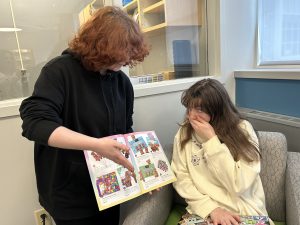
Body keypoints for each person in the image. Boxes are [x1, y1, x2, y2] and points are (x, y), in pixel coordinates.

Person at [19, 6, 149, 225]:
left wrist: (145, 171)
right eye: (122, 52)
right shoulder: (58, 72)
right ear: (101, 46)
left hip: (109, 190)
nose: (127, 60)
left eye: (129, 54)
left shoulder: (121, 83)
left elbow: (125, 129)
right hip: (69, 194)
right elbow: (35, 122)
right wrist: (95, 145)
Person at [171, 79, 274, 225]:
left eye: (199, 109)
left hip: (243, 211)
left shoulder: (243, 129)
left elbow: (238, 184)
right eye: (189, 108)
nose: (191, 116)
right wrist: (211, 209)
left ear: (218, 110)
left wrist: (211, 141)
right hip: (203, 212)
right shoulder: (183, 133)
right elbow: (181, 178)